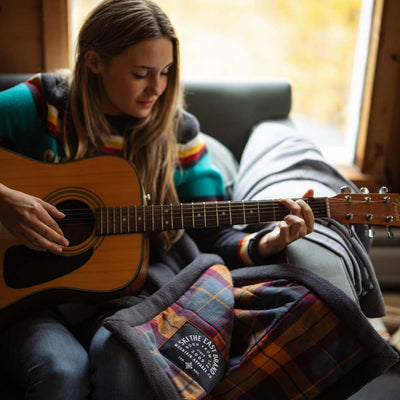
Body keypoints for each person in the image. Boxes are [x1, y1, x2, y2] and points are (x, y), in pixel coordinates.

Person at [0, 0, 314, 398]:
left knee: (129, 362)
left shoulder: (178, 133)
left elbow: (212, 231)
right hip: (25, 296)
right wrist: (5, 199)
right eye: (141, 74)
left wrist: (267, 242)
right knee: (62, 370)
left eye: (166, 73)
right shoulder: (41, 104)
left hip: (122, 299)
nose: (158, 88)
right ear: (94, 62)